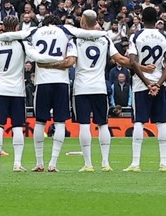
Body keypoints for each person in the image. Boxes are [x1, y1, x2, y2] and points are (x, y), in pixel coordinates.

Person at [24, 16, 77, 172]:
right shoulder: (66, 36)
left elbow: (36, 60)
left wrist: (47, 64)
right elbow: (70, 62)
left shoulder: (36, 34)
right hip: (61, 82)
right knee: (60, 122)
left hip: (43, 82)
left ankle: (39, 162)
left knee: (40, 121)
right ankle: (53, 163)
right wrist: (57, 64)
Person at [128, 6, 166, 172]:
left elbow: (133, 62)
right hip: (159, 83)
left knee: (139, 122)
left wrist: (148, 83)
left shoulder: (136, 36)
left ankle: (136, 163)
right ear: (157, 20)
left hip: (141, 85)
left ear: (141, 18)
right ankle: (163, 163)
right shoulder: (164, 36)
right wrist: (158, 84)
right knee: (161, 122)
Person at [67, 12, 115, 171]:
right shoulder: (105, 38)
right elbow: (119, 59)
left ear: (83, 21)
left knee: (84, 125)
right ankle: (106, 162)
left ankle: (88, 164)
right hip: (99, 87)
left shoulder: (75, 39)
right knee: (103, 124)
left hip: (81, 87)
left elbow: (71, 61)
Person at [0, 13, 32, 172]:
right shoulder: (22, 44)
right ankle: (17, 163)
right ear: (17, 27)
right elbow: (30, 60)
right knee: (18, 126)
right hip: (18, 91)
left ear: (3, 27)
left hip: (0, 90)